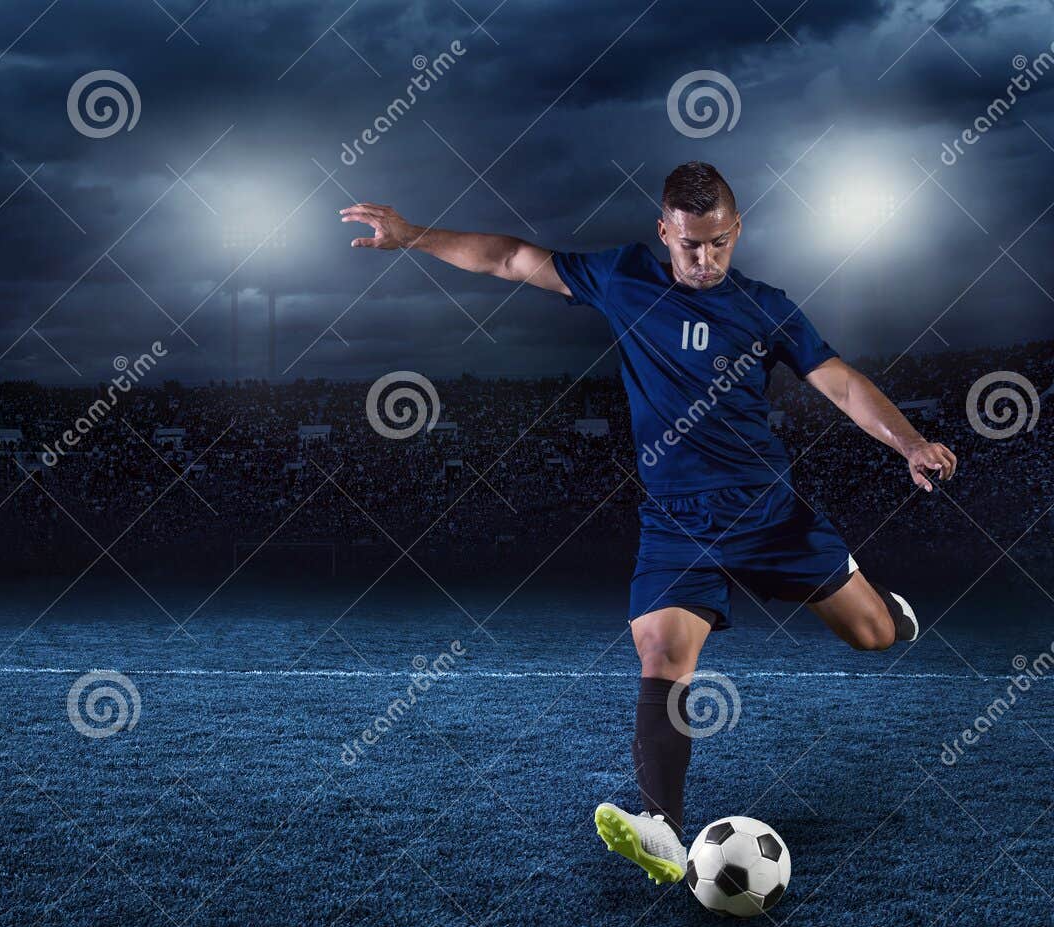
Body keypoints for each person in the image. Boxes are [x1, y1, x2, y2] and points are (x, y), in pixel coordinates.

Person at [340, 161, 957, 884]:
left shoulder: (767, 307)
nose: (704, 260)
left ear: (737, 230)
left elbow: (842, 383)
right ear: (664, 231)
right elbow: (510, 257)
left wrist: (910, 442)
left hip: (767, 513)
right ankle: (662, 828)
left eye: (719, 243)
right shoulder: (625, 278)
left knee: (872, 634)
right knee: (661, 653)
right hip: (677, 522)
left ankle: (892, 615)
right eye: (690, 244)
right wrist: (414, 236)